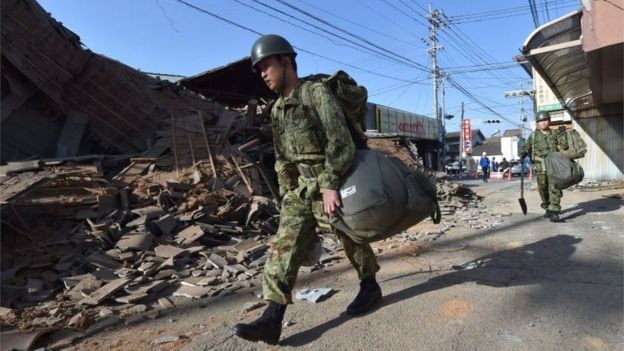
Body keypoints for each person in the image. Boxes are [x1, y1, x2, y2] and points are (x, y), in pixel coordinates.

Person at [233, 34, 382, 345]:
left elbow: (340, 142)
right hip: (301, 192)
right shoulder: (276, 111)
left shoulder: (315, 93)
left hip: (334, 180)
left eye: (267, 66)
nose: (263, 73)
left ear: (286, 62)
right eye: (259, 69)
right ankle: (272, 319)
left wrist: (330, 185)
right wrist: (287, 195)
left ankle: (370, 285)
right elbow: (282, 158)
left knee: (351, 236)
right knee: (283, 247)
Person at [520, 111, 569, 222]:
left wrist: (562, 133)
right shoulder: (533, 136)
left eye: (545, 120)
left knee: (554, 188)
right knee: (542, 189)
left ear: (549, 121)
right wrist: (522, 153)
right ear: (537, 123)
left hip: (554, 165)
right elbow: (526, 147)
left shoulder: (555, 133)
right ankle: (547, 207)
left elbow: (564, 146)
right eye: (541, 121)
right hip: (540, 166)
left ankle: (554, 211)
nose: (543, 123)